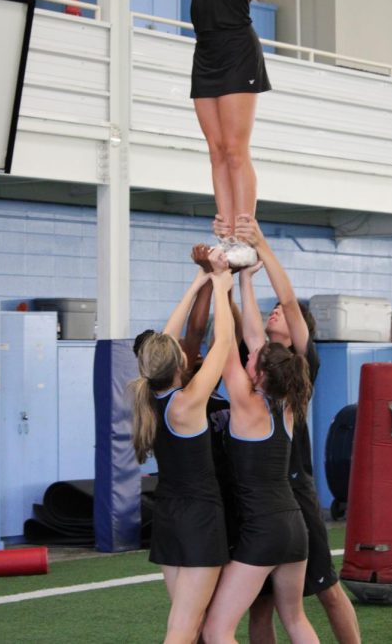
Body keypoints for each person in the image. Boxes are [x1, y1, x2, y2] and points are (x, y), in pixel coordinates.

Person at [113, 0, 334, 264]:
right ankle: (226, 231)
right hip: (205, 54)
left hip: (236, 51)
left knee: (236, 149)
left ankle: (244, 236)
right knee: (215, 151)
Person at [234, 215, 362, 644]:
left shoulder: (302, 367)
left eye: (284, 315)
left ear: (299, 331)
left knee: (326, 590)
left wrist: (263, 245)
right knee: (262, 605)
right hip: (261, 497)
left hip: (294, 490)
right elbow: (250, 327)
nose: (277, 312)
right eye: (273, 311)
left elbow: (288, 301)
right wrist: (244, 278)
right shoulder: (261, 360)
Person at [201, 262, 318, 644]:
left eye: (253, 359)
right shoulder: (288, 401)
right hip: (294, 527)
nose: (250, 356)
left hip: (264, 530)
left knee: (217, 630)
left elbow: (225, 344)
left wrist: (222, 286)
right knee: (296, 620)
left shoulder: (246, 403)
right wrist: (247, 280)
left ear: (259, 374)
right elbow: (253, 338)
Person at [131, 249, 235, 644]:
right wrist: (222, 286)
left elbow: (162, 343)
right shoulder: (187, 404)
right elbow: (223, 342)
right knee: (183, 630)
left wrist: (198, 281)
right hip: (198, 521)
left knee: (194, 626)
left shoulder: (147, 397)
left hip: (171, 517)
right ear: (179, 365)